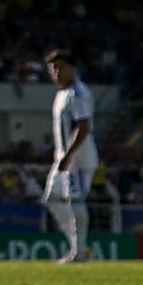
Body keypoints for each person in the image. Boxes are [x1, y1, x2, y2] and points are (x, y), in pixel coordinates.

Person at [42, 50, 99, 265]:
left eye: (60, 67)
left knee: (75, 201)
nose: (56, 72)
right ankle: (79, 246)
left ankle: (78, 251)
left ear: (72, 68)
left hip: (79, 159)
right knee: (52, 200)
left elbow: (83, 127)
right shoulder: (61, 94)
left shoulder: (78, 92)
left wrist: (69, 156)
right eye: (52, 69)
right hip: (63, 159)